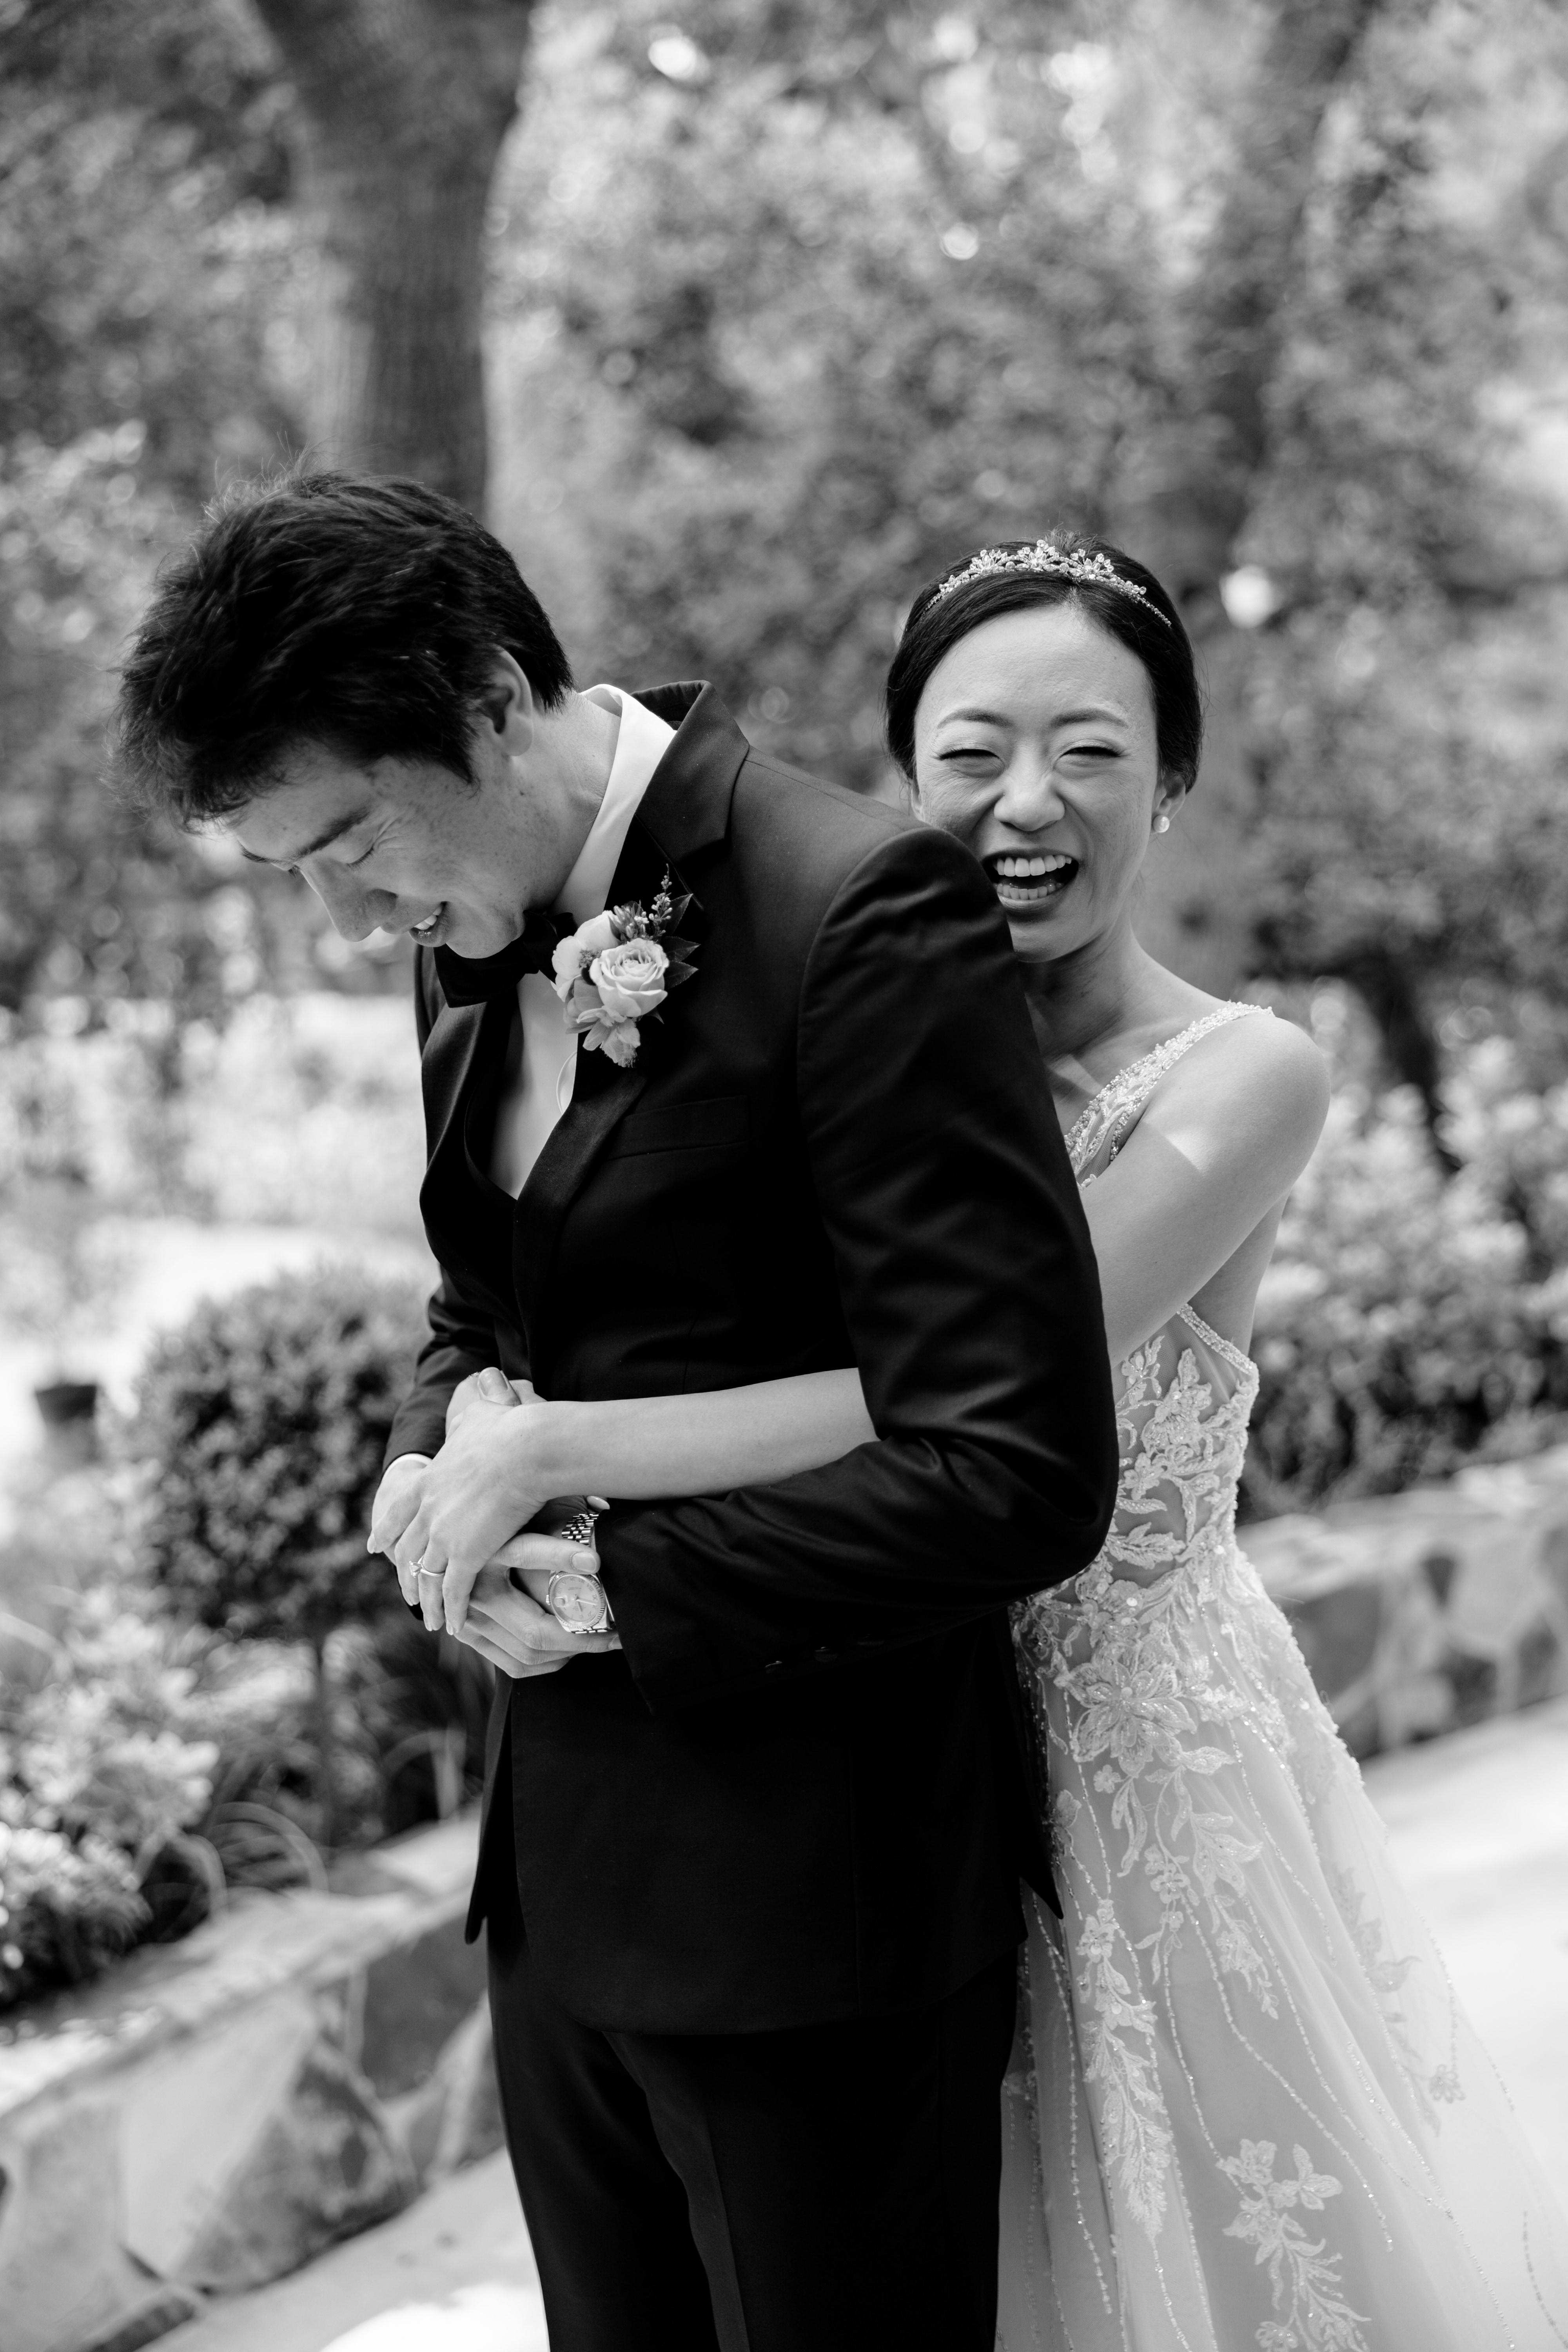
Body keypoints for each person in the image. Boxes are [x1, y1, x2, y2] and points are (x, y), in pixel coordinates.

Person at [468, 532, 1568, 2350]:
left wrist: (548, 1452)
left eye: (1093, 752)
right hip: (865, 1763)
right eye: (971, 754)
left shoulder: (1241, 1077)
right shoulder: (812, 1031)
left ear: (1174, 782)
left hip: (1132, 1781)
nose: (1026, 803)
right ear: (905, 780)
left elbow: (978, 1383)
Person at [113, 473, 1120, 2352]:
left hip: (815, 1916)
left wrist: (608, 1583)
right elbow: (485, 1303)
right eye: (287, 876)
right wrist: (429, 1470)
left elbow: (1017, 1468)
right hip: (558, 1899)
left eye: (347, 844)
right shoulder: (460, 925)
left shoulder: (861, 907)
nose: (342, 921)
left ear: (491, 699)